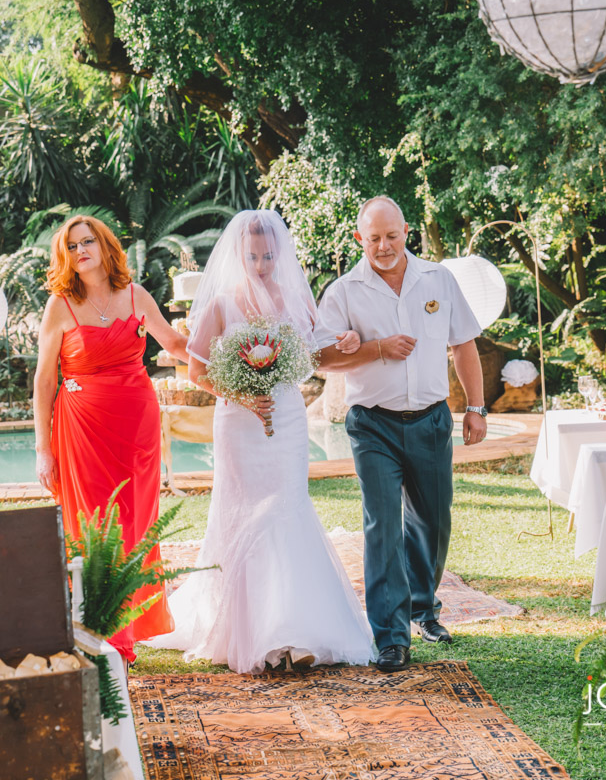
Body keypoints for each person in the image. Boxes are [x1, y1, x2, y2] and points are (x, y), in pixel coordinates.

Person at [145, 210, 375, 674]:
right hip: (238, 423)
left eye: (269, 256)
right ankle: (253, 629)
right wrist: (243, 396)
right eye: (253, 256)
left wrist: (349, 341)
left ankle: (296, 627)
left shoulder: (297, 299)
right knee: (244, 511)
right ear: (238, 255)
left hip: (286, 417)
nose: (262, 265)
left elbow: (319, 349)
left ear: (279, 254)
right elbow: (197, 371)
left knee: (287, 506)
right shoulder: (220, 305)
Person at [317, 195, 487, 673]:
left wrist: (475, 407)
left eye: (392, 236)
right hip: (373, 424)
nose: (384, 246)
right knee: (383, 526)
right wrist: (373, 348)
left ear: (406, 232)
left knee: (432, 522)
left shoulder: (438, 279)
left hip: (431, 419)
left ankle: (423, 609)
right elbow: (319, 357)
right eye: (373, 238)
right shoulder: (343, 291)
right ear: (360, 239)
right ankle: (391, 637)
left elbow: (463, 344)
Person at [33, 214, 190, 664]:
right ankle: (100, 631)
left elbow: (174, 345)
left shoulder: (136, 295)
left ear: (104, 246)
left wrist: (222, 353)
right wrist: (43, 449)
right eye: (71, 246)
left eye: (87, 242)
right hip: (82, 431)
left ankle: (124, 630)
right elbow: (44, 381)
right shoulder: (60, 305)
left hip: (137, 430)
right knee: (93, 527)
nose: (80, 251)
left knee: (135, 524)